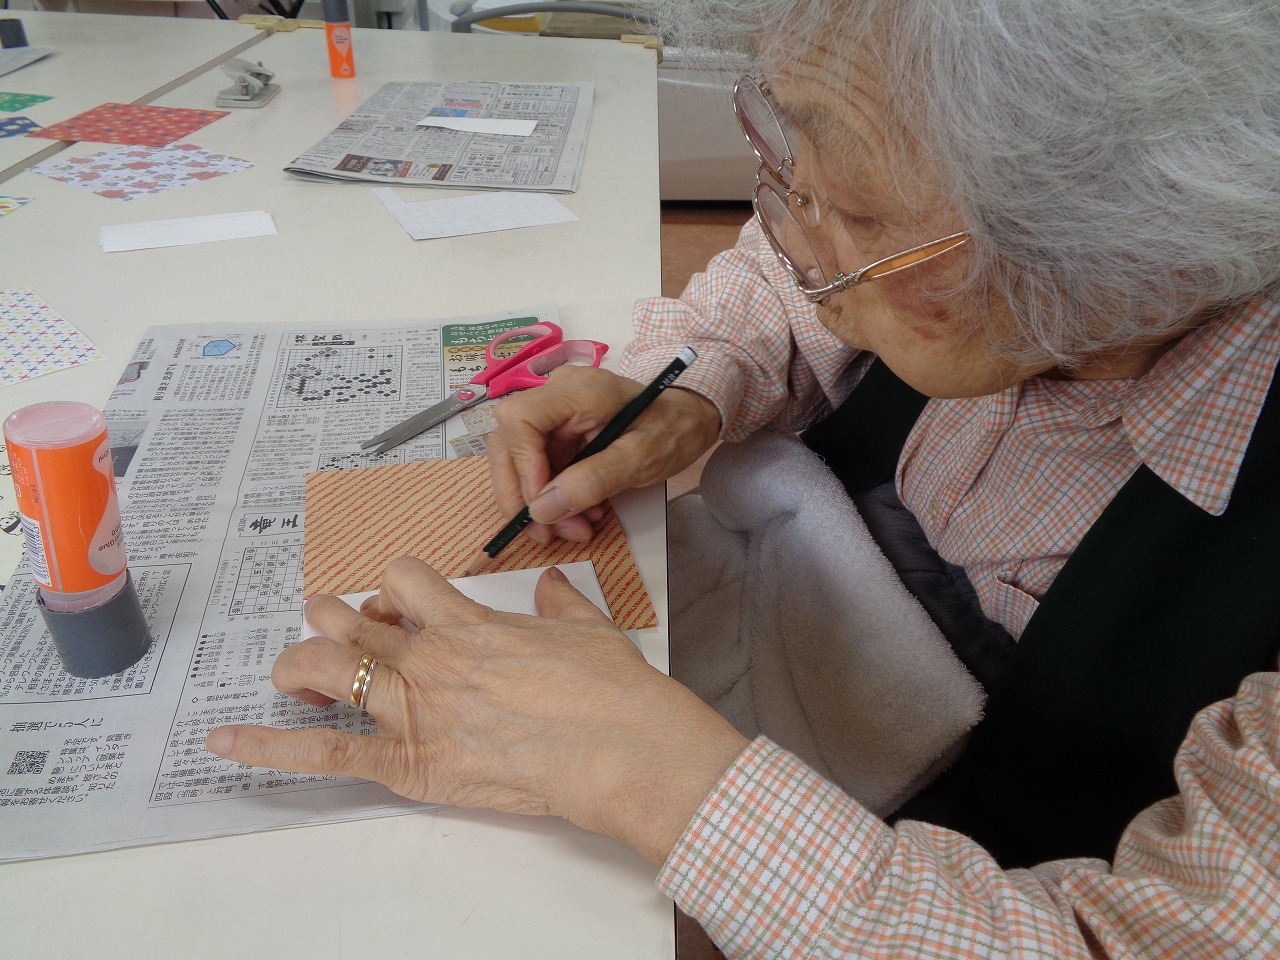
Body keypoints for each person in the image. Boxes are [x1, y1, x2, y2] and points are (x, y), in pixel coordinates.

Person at [207, 0, 1280, 955]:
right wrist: (692, 388)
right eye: (786, 164)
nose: (795, 240)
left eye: (851, 214)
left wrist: (640, 770)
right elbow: (786, 261)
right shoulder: (950, 238)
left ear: (1107, 250)